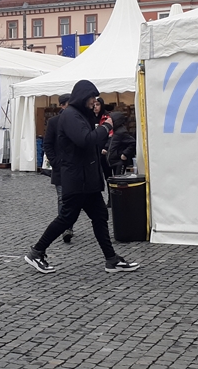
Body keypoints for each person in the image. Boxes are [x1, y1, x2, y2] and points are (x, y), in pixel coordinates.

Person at [24, 80, 140, 275]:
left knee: (100, 216)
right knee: (66, 217)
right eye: (92, 99)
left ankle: (111, 259)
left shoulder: (80, 116)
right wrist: (106, 127)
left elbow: (90, 142)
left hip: (88, 180)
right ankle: (36, 252)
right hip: (77, 179)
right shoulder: (70, 116)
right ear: (83, 97)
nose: (94, 103)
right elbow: (85, 141)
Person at [42, 94, 74, 243]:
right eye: (69, 104)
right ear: (62, 105)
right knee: (62, 198)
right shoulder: (54, 122)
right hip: (60, 167)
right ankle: (66, 228)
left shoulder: (77, 120)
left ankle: (69, 224)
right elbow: (47, 144)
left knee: (75, 198)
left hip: (75, 167)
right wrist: (55, 162)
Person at [106, 111, 136, 176]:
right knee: (116, 180)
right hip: (114, 161)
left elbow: (132, 142)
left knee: (119, 180)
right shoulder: (116, 131)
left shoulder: (121, 132)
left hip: (119, 161)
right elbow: (113, 143)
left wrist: (125, 154)